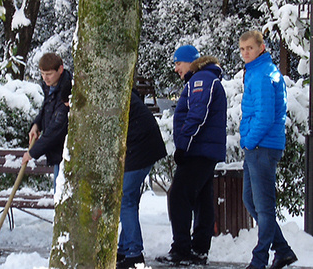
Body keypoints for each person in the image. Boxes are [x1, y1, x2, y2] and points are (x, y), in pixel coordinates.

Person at [156, 45, 227, 266]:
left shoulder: (201, 80)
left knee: (178, 196)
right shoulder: (206, 78)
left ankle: (182, 250)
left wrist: (183, 146)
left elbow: (198, 115)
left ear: (190, 62)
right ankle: (199, 250)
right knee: (202, 200)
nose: (176, 68)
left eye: (178, 63)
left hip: (198, 150)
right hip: (204, 150)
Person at [239, 30, 297, 269]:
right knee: (250, 200)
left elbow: (264, 117)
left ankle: (259, 258)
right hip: (258, 146)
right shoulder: (257, 71)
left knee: (263, 206)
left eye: (250, 48)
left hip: (262, 146)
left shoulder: (263, 75)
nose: (245, 53)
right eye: (242, 49)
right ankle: (282, 250)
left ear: (261, 47)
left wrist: (250, 141)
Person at [116, 89, 167, 269]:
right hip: (144, 147)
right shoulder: (122, 92)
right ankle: (124, 248)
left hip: (139, 149)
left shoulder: (110, 94)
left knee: (125, 199)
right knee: (128, 200)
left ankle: (134, 253)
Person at [22, 53, 72, 191]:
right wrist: (36, 124)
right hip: (58, 154)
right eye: (43, 74)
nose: (45, 78)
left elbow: (56, 129)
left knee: (61, 193)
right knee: (58, 194)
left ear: (60, 69)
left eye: (49, 74)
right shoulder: (50, 86)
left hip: (67, 155)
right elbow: (46, 107)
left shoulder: (67, 92)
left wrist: (32, 153)